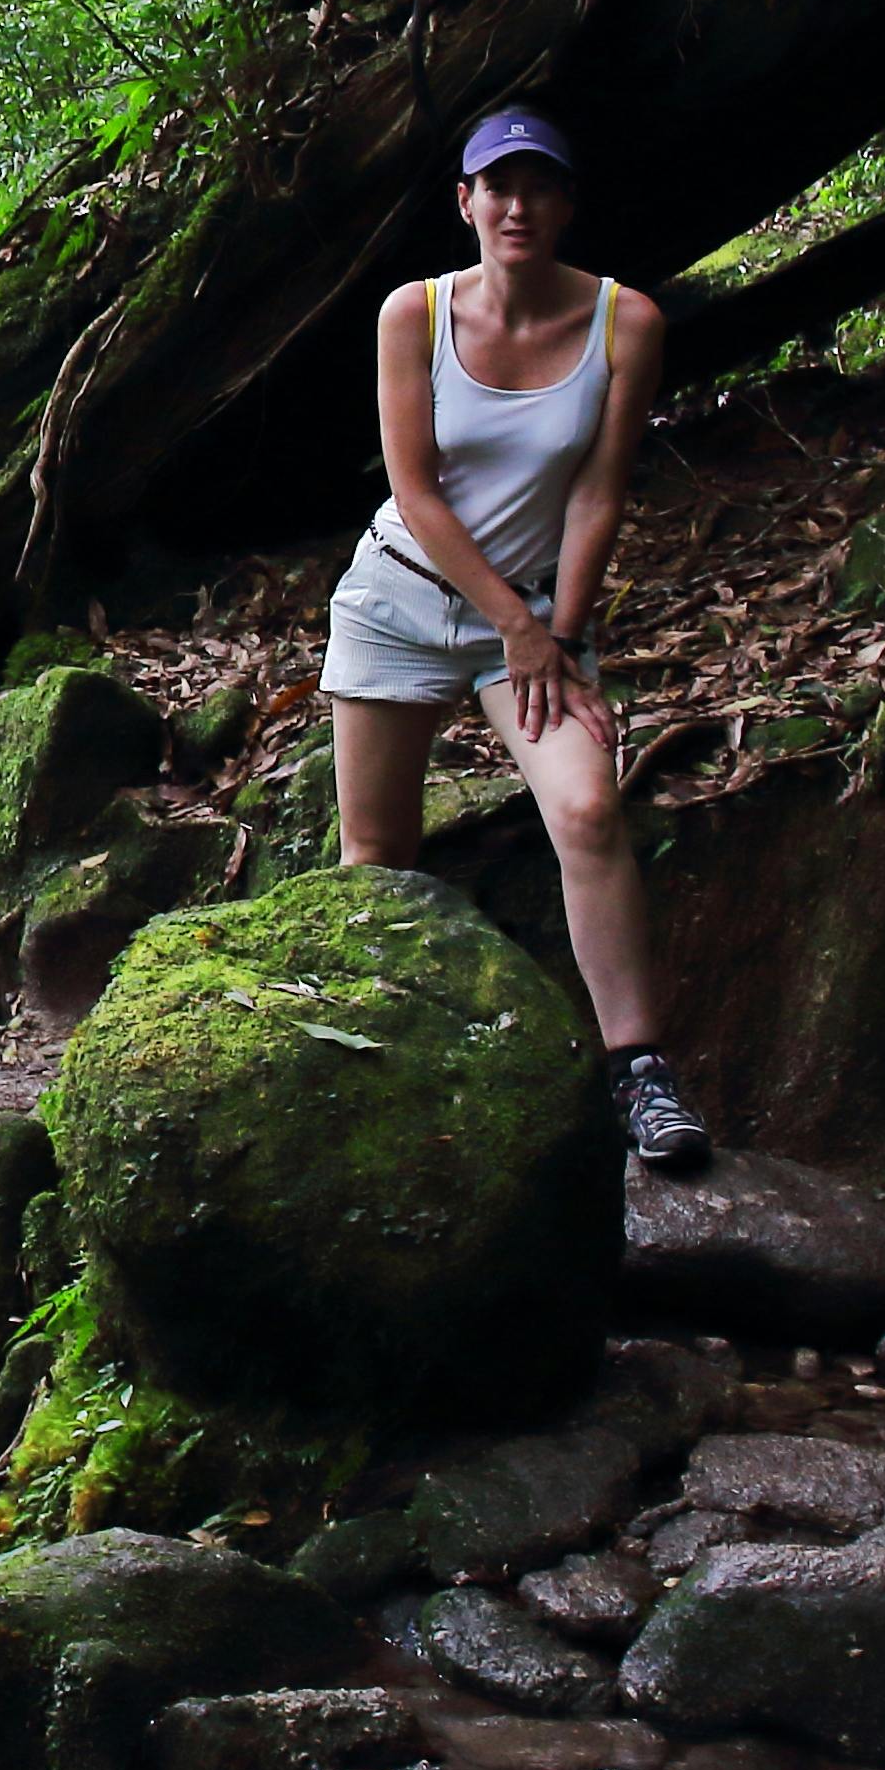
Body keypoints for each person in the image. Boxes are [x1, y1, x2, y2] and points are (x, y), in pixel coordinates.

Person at [319, 107, 717, 1167]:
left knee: (588, 809)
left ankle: (641, 1073)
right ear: (465, 203)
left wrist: (559, 632)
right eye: (497, 187)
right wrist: (520, 626)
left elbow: (597, 490)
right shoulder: (416, 314)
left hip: (538, 618)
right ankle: (374, 1069)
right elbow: (415, 487)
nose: (517, 206)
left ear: (566, 204)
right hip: (401, 597)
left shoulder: (624, 322)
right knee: (378, 856)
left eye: (539, 187)